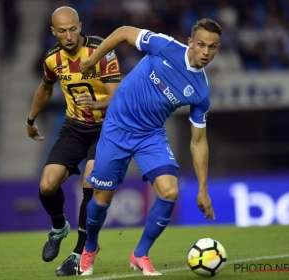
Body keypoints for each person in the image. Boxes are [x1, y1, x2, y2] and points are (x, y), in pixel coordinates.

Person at [77, 18, 222, 276]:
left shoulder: (201, 92)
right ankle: (90, 247)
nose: (205, 52)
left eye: (212, 47)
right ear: (191, 42)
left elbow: (198, 141)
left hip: (151, 136)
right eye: (201, 44)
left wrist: (203, 188)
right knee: (101, 200)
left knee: (169, 192)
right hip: (117, 128)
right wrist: (91, 60)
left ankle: (140, 254)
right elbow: (123, 32)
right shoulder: (165, 46)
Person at [26, 6, 121, 277]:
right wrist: (31, 121)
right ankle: (59, 228)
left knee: (89, 180)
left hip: (107, 128)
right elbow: (45, 87)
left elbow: (119, 95)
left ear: (80, 26)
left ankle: (80, 254)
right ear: (53, 31)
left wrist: (96, 102)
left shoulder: (101, 50)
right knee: (47, 185)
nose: (68, 36)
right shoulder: (52, 59)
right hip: (74, 128)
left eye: (73, 29)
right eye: (62, 31)